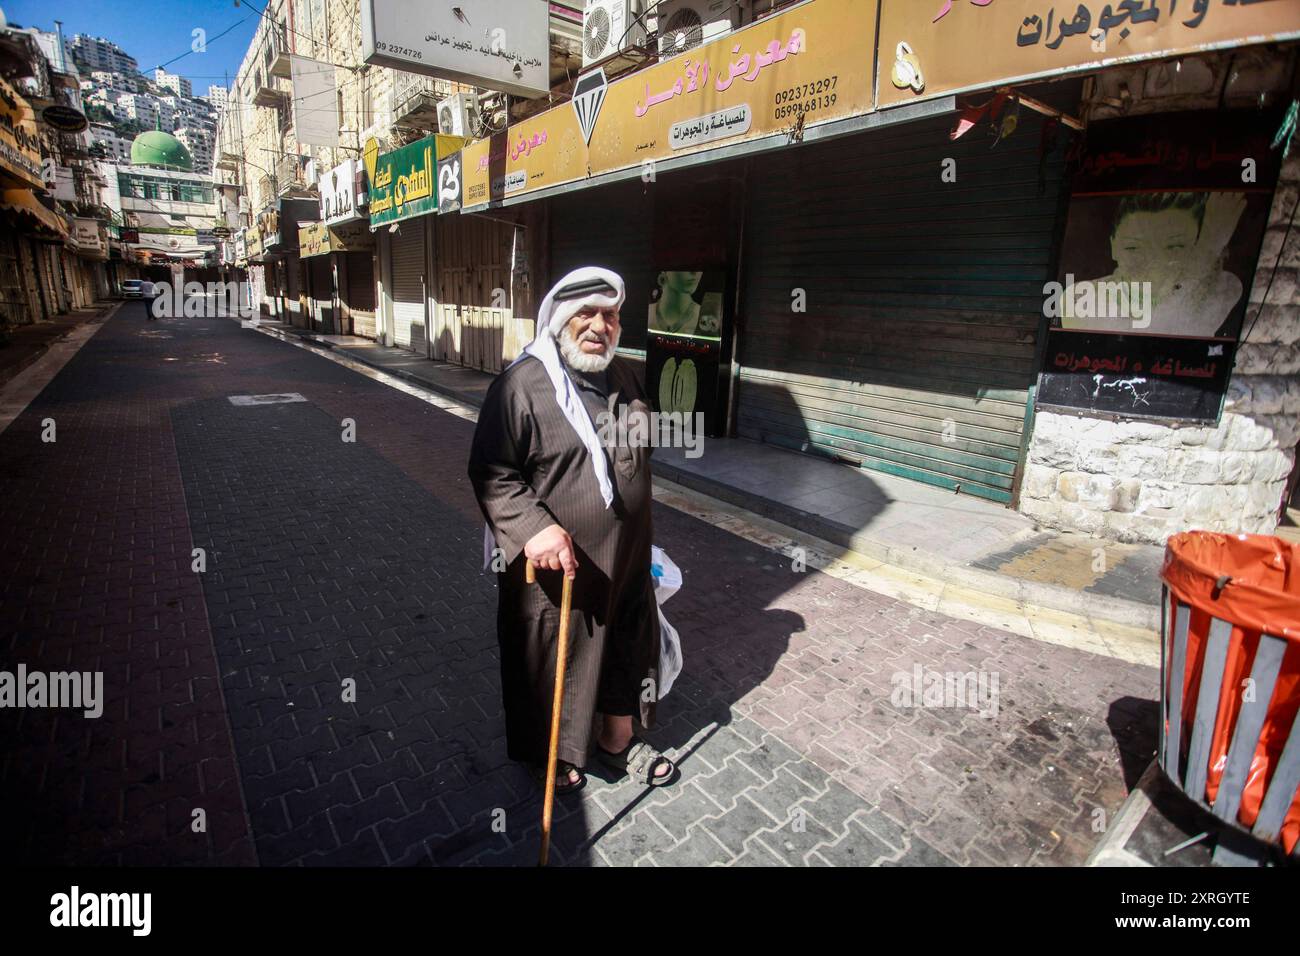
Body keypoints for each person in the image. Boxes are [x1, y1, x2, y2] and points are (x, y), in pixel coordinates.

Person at [468, 266, 678, 792]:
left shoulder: (625, 376)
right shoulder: (521, 386)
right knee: (554, 658)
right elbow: (492, 472)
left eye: (610, 315)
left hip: (625, 556)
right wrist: (534, 528)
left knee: (626, 646)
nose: (599, 325)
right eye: (587, 313)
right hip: (554, 566)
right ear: (561, 319)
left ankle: (616, 741)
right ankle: (553, 756)